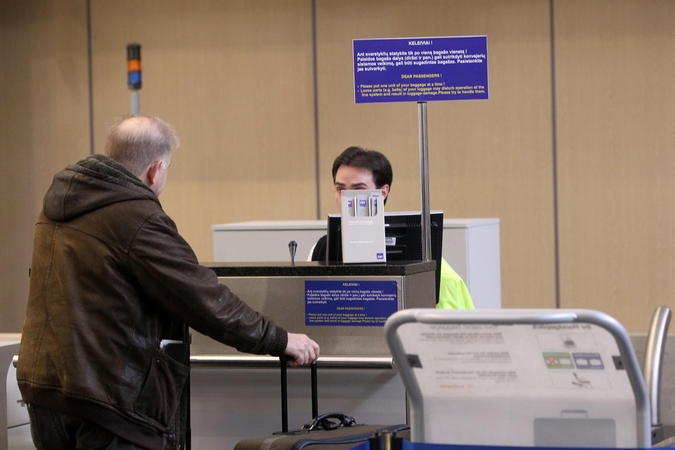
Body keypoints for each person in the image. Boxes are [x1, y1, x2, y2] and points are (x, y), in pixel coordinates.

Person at [16, 114, 320, 450]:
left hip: (47, 393)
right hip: (109, 403)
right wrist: (279, 340)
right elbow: (203, 298)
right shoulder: (137, 219)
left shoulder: (55, 209)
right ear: (155, 169)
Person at [309, 146, 474, 310]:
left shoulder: (426, 259)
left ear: (383, 192)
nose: (347, 199)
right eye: (340, 189)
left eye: (358, 189)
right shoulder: (320, 250)